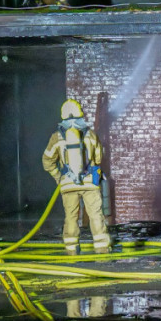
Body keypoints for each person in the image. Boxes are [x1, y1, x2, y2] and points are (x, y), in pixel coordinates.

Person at [42, 99, 110, 255]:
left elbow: (47, 161)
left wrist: (58, 176)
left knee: (71, 217)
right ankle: (102, 248)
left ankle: (71, 249)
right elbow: (99, 158)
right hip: (89, 184)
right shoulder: (90, 135)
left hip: (68, 184)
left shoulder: (56, 137)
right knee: (95, 215)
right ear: (80, 114)